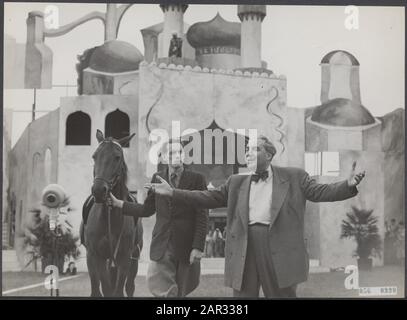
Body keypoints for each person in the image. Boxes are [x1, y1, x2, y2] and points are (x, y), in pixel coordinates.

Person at [148, 135, 366, 298]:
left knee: (282, 295)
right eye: (247, 150)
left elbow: (321, 192)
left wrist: (346, 185)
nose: (249, 153)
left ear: (269, 155)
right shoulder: (236, 182)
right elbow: (206, 197)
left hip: (278, 246)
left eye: (255, 149)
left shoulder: (294, 176)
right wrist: (173, 192)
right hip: (244, 246)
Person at [109, 139, 208, 297]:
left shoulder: (197, 179)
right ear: (163, 158)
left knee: (181, 291)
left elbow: (202, 215)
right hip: (162, 243)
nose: (176, 156)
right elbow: (147, 209)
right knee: (161, 288)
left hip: (186, 245)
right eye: (171, 152)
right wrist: (120, 204)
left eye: (180, 152)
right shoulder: (157, 178)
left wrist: (198, 246)